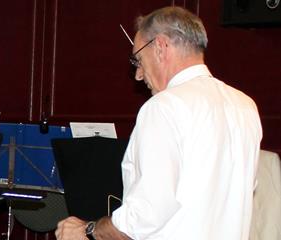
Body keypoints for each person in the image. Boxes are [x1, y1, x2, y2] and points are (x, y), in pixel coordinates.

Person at [56, 6, 262, 240]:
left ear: (161, 47)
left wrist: (88, 230)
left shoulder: (164, 107)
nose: (138, 75)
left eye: (139, 60)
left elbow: (145, 215)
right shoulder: (245, 106)